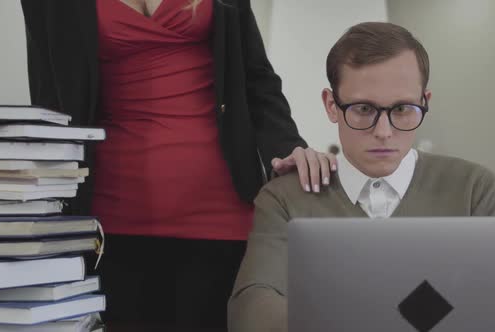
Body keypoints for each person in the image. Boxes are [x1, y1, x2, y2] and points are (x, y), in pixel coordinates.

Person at [20, 0, 336, 328]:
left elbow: (256, 78)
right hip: (110, 214)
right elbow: (51, 99)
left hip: (221, 209)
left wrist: (289, 148)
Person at [228, 21, 495, 332]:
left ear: (425, 102)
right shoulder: (285, 197)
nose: (383, 132)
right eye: (364, 109)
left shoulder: (474, 189)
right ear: (331, 105)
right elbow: (251, 308)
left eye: (402, 109)